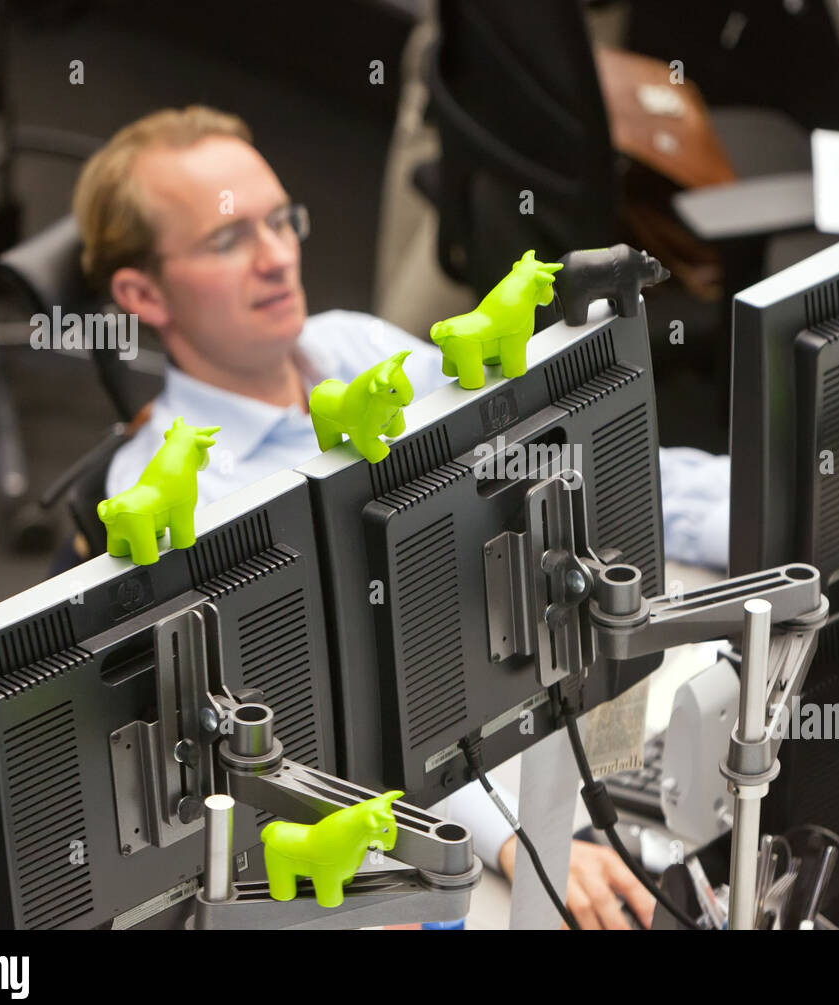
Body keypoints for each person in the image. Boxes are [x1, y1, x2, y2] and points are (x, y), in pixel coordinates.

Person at [77, 105, 727, 929]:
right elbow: (291, 741)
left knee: (732, 716)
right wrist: (505, 835)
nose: (277, 258)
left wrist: (751, 500)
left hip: (521, 675)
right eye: (228, 240)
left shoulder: (353, 349)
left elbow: (558, 457)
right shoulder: (182, 494)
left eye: (282, 221)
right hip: (410, 807)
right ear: (141, 293)